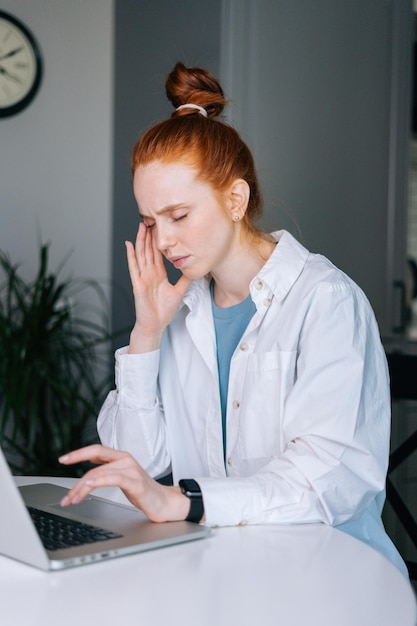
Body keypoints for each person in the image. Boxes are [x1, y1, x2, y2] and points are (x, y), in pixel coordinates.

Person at [59, 61, 407, 577]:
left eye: (179, 216)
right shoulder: (178, 310)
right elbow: (137, 468)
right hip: (218, 574)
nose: (165, 239)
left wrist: (187, 502)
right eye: (152, 222)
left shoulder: (325, 301)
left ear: (235, 198)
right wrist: (146, 335)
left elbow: (329, 482)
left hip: (327, 582)